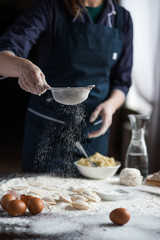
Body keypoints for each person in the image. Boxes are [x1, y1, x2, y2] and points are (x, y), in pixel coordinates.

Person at [0, 0, 133, 176]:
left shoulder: (122, 19)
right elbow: (3, 59)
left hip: (94, 133)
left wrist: (111, 105)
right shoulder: (50, 7)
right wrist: (22, 66)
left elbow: (122, 82)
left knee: (90, 200)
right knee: (41, 196)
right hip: (46, 132)